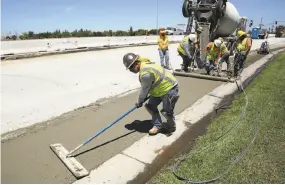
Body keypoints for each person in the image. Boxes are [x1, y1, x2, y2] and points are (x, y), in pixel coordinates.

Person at [123, 52, 179, 135]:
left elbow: (144, 90)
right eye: (129, 68)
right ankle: (158, 125)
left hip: (169, 88)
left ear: (136, 63)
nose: (131, 70)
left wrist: (139, 102)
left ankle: (171, 126)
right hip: (159, 90)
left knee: (166, 112)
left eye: (131, 67)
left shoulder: (145, 74)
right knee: (150, 106)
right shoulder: (144, 62)